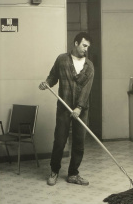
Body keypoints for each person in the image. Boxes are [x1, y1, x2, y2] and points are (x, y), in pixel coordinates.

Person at [39, 32, 95, 187]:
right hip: (64, 108)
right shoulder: (62, 59)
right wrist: (47, 83)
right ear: (76, 43)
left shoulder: (89, 66)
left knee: (79, 143)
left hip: (81, 110)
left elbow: (87, 90)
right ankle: (54, 171)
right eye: (84, 45)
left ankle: (73, 174)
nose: (86, 49)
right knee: (59, 141)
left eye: (88, 47)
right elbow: (53, 77)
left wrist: (79, 107)